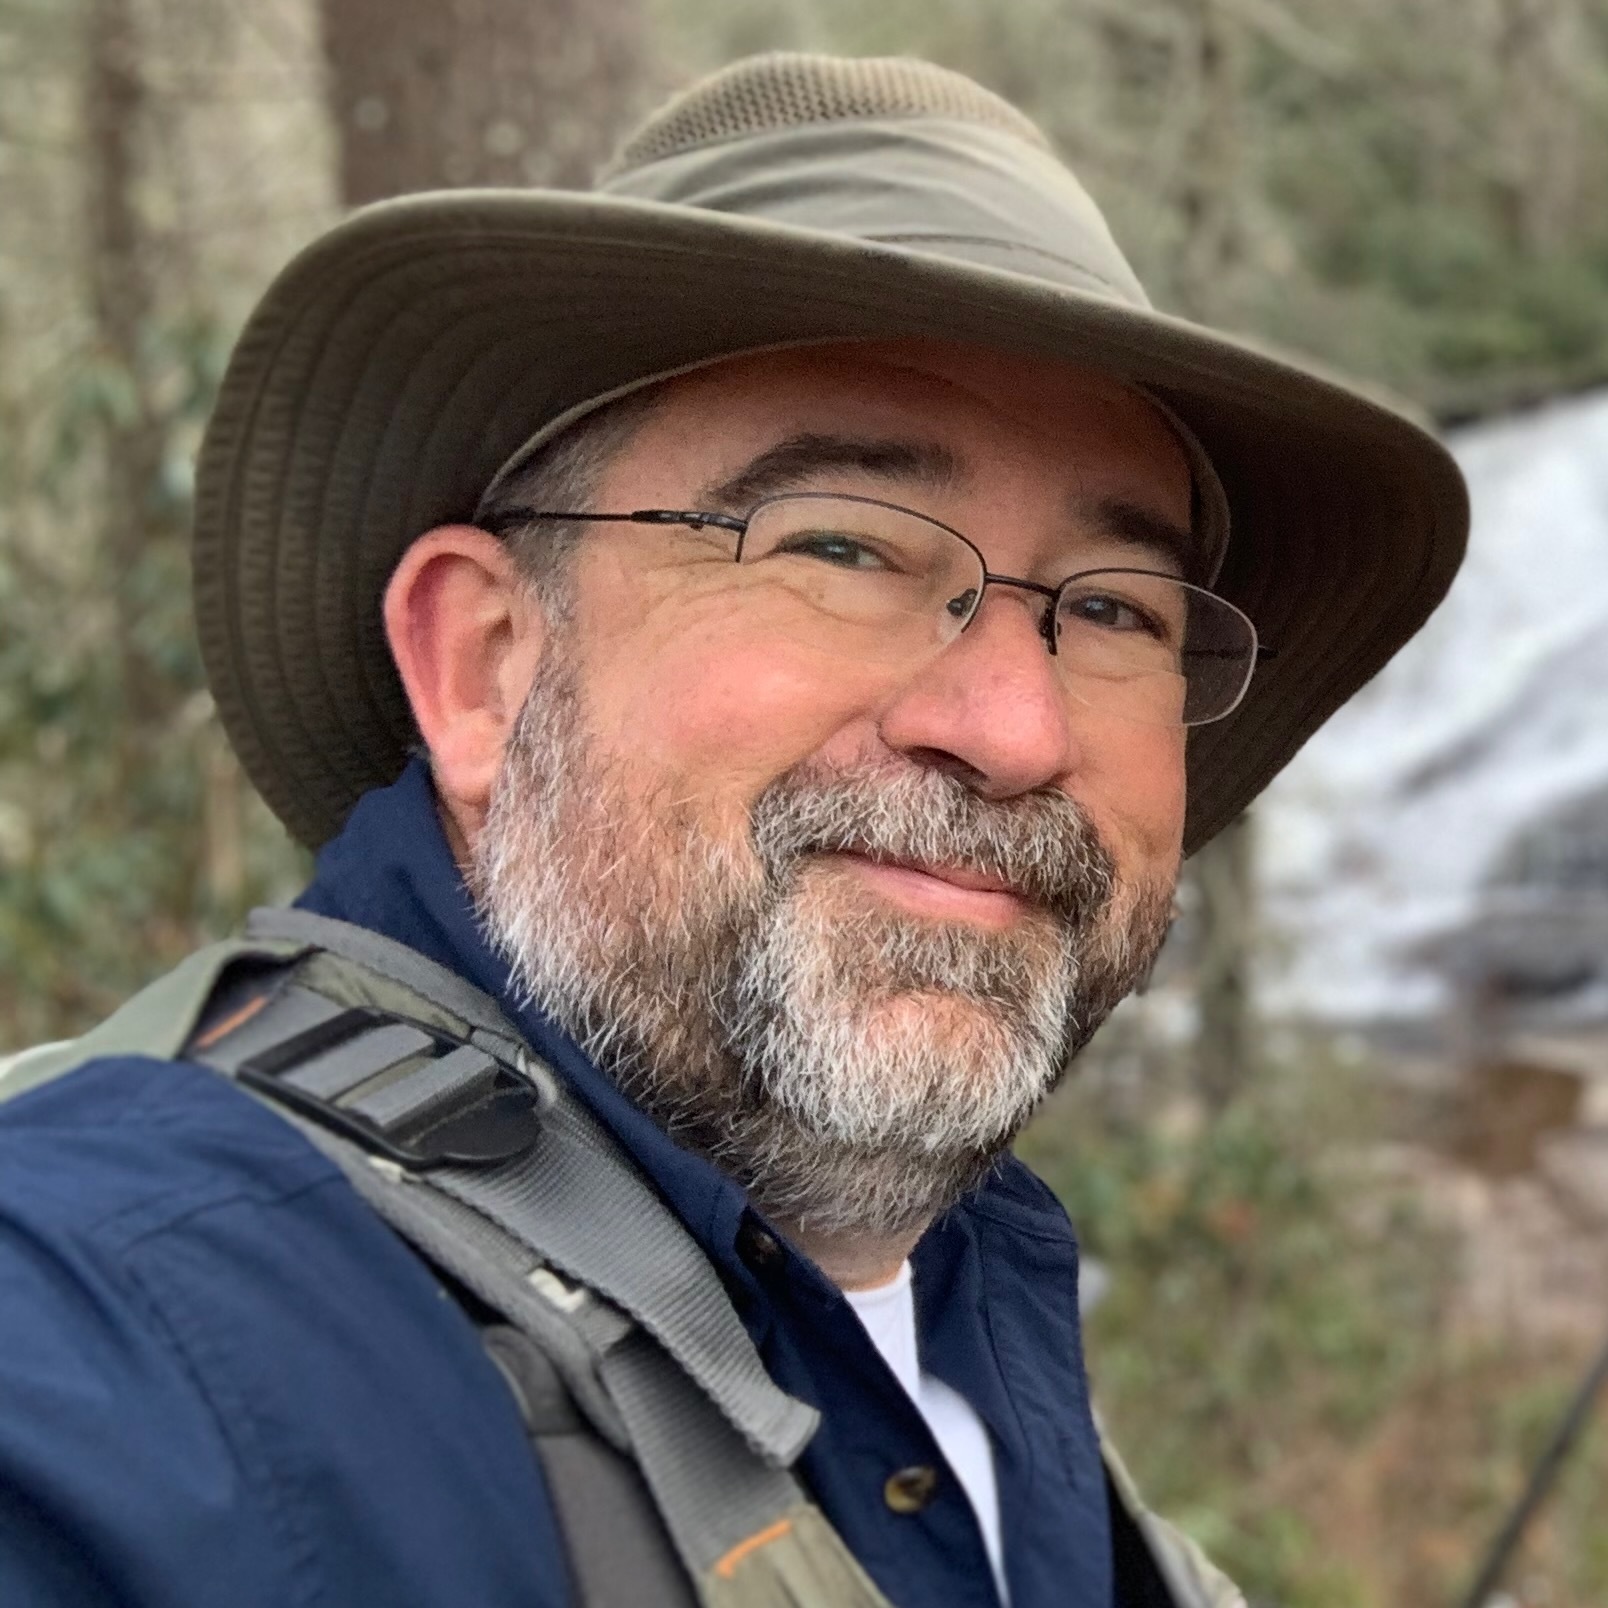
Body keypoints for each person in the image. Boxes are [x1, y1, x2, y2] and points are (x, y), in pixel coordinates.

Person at [0, 51, 1467, 1608]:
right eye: (844, 548)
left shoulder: (968, 1339)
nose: (1015, 730)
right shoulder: (115, 1329)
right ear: (484, 663)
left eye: (1115, 610)